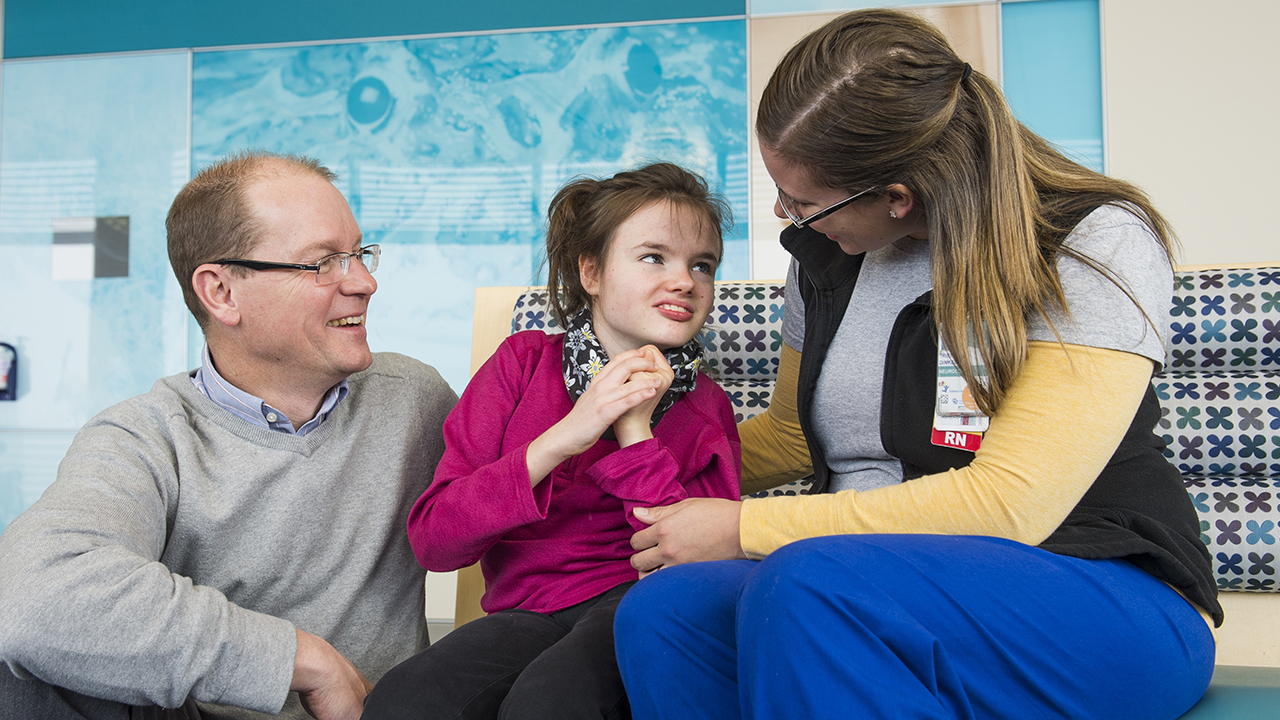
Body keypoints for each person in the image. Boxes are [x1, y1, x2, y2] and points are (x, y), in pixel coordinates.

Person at [617, 10, 1219, 720]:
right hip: (859, 584)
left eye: (803, 201)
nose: (785, 213)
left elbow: (1010, 504)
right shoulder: (823, 257)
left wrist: (742, 528)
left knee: (811, 583)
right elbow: (790, 435)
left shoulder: (1093, 240)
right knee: (665, 610)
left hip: (1101, 592)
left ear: (896, 197)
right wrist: (611, 454)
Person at [0, 151, 457, 720]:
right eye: (323, 263)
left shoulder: (413, 398)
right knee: (24, 665)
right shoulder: (144, 437)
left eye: (359, 254)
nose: (364, 282)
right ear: (220, 293)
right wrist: (302, 658)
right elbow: (33, 599)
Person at [361, 162, 741, 720]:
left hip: (641, 604)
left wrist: (634, 431)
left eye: (702, 265)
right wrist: (567, 435)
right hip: (527, 611)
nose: (685, 281)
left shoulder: (707, 407)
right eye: (653, 257)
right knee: (401, 702)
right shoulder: (519, 366)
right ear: (591, 271)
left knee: (550, 703)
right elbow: (436, 543)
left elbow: (696, 565)